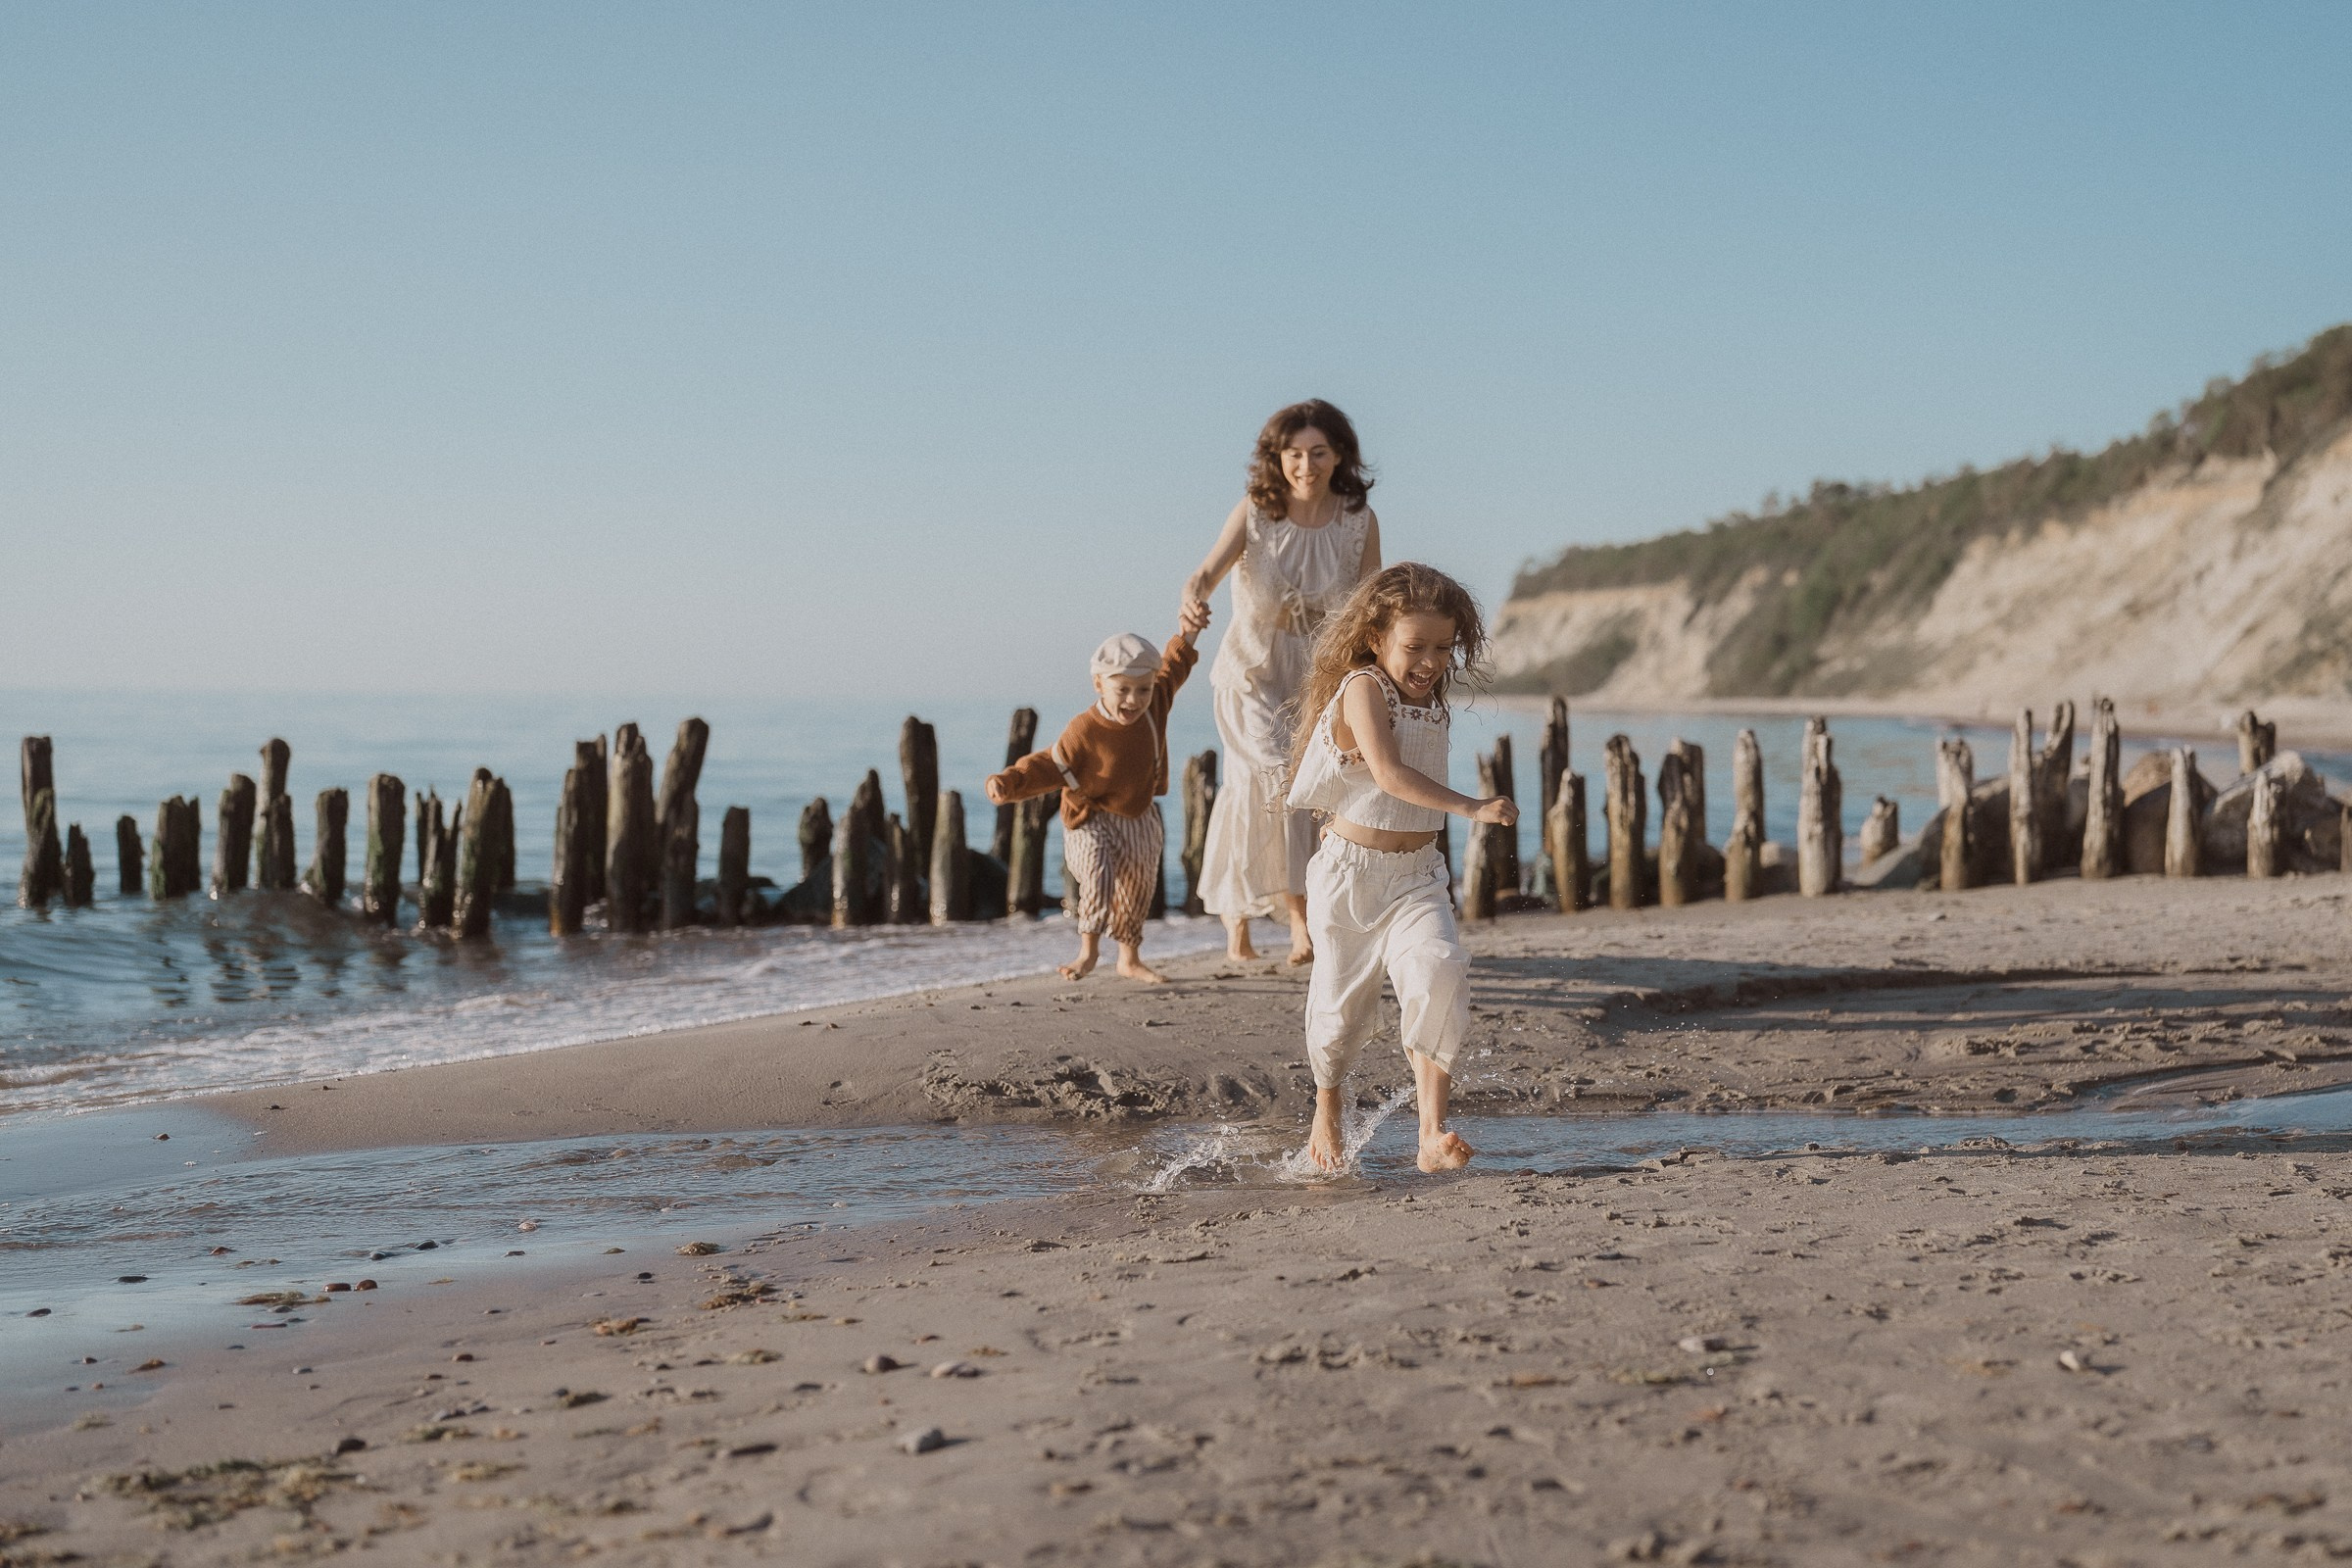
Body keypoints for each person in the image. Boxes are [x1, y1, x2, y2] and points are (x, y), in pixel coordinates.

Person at [1283, 563, 1513, 1174]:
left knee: (1438, 971)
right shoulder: (1363, 688)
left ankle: (1431, 1133)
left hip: (1418, 875)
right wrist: (1470, 805)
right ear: (1375, 639)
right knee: (1340, 1013)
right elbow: (1387, 774)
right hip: (1349, 878)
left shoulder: (1430, 699)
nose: (1431, 662)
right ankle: (1326, 1109)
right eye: (1415, 647)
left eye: (1443, 648)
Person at [1181, 401, 1382, 965]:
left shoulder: (1358, 520)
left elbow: (1372, 602)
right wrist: (1192, 602)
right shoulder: (1255, 513)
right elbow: (1205, 574)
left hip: (1319, 676)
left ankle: (1255, 919)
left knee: (1297, 787)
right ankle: (1294, 923)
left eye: (1319, 452)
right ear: (1278, 458)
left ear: (1339, 455)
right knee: (1274, 778)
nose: (1306, 465)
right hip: (1251, 673)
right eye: (1294, 454)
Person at [985, 607, 1207, 984]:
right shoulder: (1084, 730)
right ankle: (1087, 952)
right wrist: (1009, 781)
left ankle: (1129, 957)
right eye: (1123, 690)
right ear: (1099, 684)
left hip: (1137, 812)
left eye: (1143, 689)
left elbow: (1175, 664)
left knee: (1139, 884)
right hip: (1088, 815)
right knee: (1099, 873)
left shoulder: (1155, 703)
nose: (1134, 700)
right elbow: (1047, 764)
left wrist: (1188, 633)